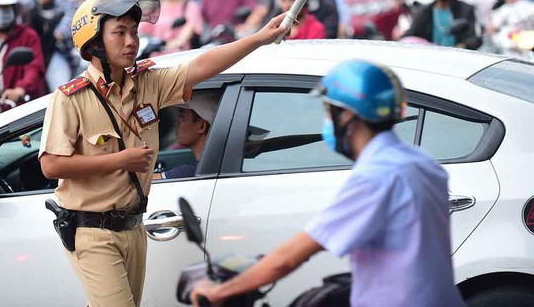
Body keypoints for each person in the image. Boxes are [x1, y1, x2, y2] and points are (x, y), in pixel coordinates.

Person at [38, 0, 288, 307]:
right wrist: (120, 160)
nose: (131, 41)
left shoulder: (147, 83)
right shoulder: (70, 98)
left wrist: (259, 38)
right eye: (119, 32)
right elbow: (51, 165)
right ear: (95, 42)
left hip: (133, 227)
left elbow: (201, 66)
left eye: (134, 32)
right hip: (92, 231)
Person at [191, 59, 466, 307]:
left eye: (327, 111)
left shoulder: (375, 176)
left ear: (346, 115)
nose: (326, 122)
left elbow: (291, 257)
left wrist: (221, 291)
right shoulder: (422, 162)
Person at [21, 0, 76, 91]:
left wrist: (58, 33)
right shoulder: (28, 6)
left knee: (61, 88)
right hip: (35, 54)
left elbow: (69, 24)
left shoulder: (66, 2)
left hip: (60, 52)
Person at [154, 91, 220, 180]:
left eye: (182, 117)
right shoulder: (215, 167)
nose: (177, 122)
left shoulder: (191, 172)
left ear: (202, 126)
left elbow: (144, 183)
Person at [139, 0, 203, 54]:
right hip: (156, 59)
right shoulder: (155, 6)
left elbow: (187, 33)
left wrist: (166, 45)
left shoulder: (189, 5)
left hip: (180, 58)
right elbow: (142, 32)